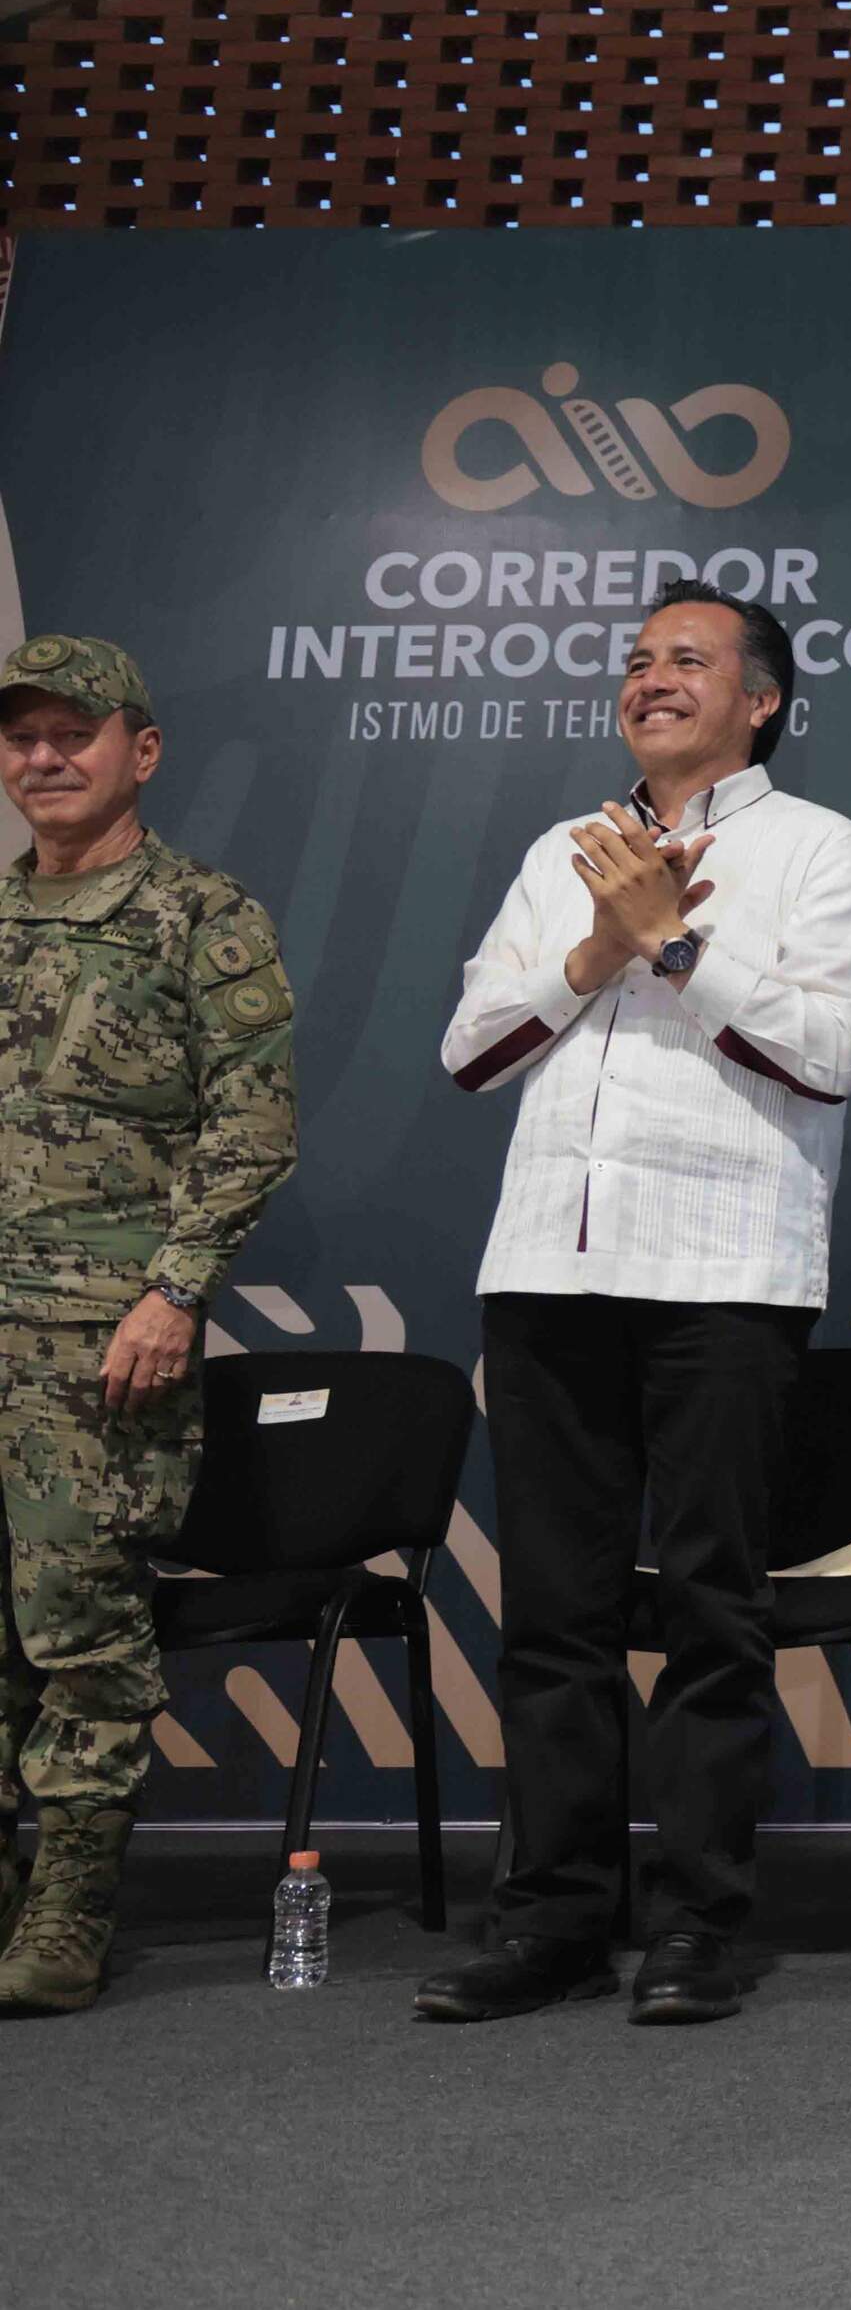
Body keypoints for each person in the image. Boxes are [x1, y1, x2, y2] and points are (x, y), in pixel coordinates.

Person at [419, 588, 851, 2027]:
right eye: (635, 662)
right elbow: (468, 1050)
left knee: (707, 1606)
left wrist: (677, 944)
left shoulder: (821, 850)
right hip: (547, 1270)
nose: (651, 680)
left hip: (723, 1271)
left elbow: (827, 1052)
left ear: (762, 700)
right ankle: (552, 1914)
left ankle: (695, 1921)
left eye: (688, 660)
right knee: (552, 1613)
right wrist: (605, 940)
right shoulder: (561, 853)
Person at [0, 635, 299, 2015]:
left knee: (81, 1628)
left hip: (99, 1339)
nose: (44, 758)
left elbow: (253, 1127)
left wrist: (176, 1288)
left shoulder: (200, 916)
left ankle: (67, 1907)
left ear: (143, 750)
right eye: (22, 738)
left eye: (75, 733)